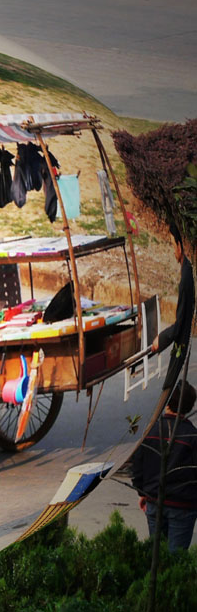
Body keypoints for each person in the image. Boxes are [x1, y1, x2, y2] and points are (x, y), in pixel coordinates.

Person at [131, 380, 197, 551]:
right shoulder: (192, 435)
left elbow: (138, 467)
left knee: (156, 556)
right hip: (183, 506)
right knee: (175, 562)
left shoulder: (151, 431)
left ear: (167, 402)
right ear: (189, 406)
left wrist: (142, 492)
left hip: (154, 500)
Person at [151, 219, 194, 394]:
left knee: (168, 389)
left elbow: (178, 326)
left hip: (180, 343)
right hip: (182, 341)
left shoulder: (185, 279)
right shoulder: (187, 270)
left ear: (179, 245)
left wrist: (160, 340)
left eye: (171, 245)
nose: (172, 251)